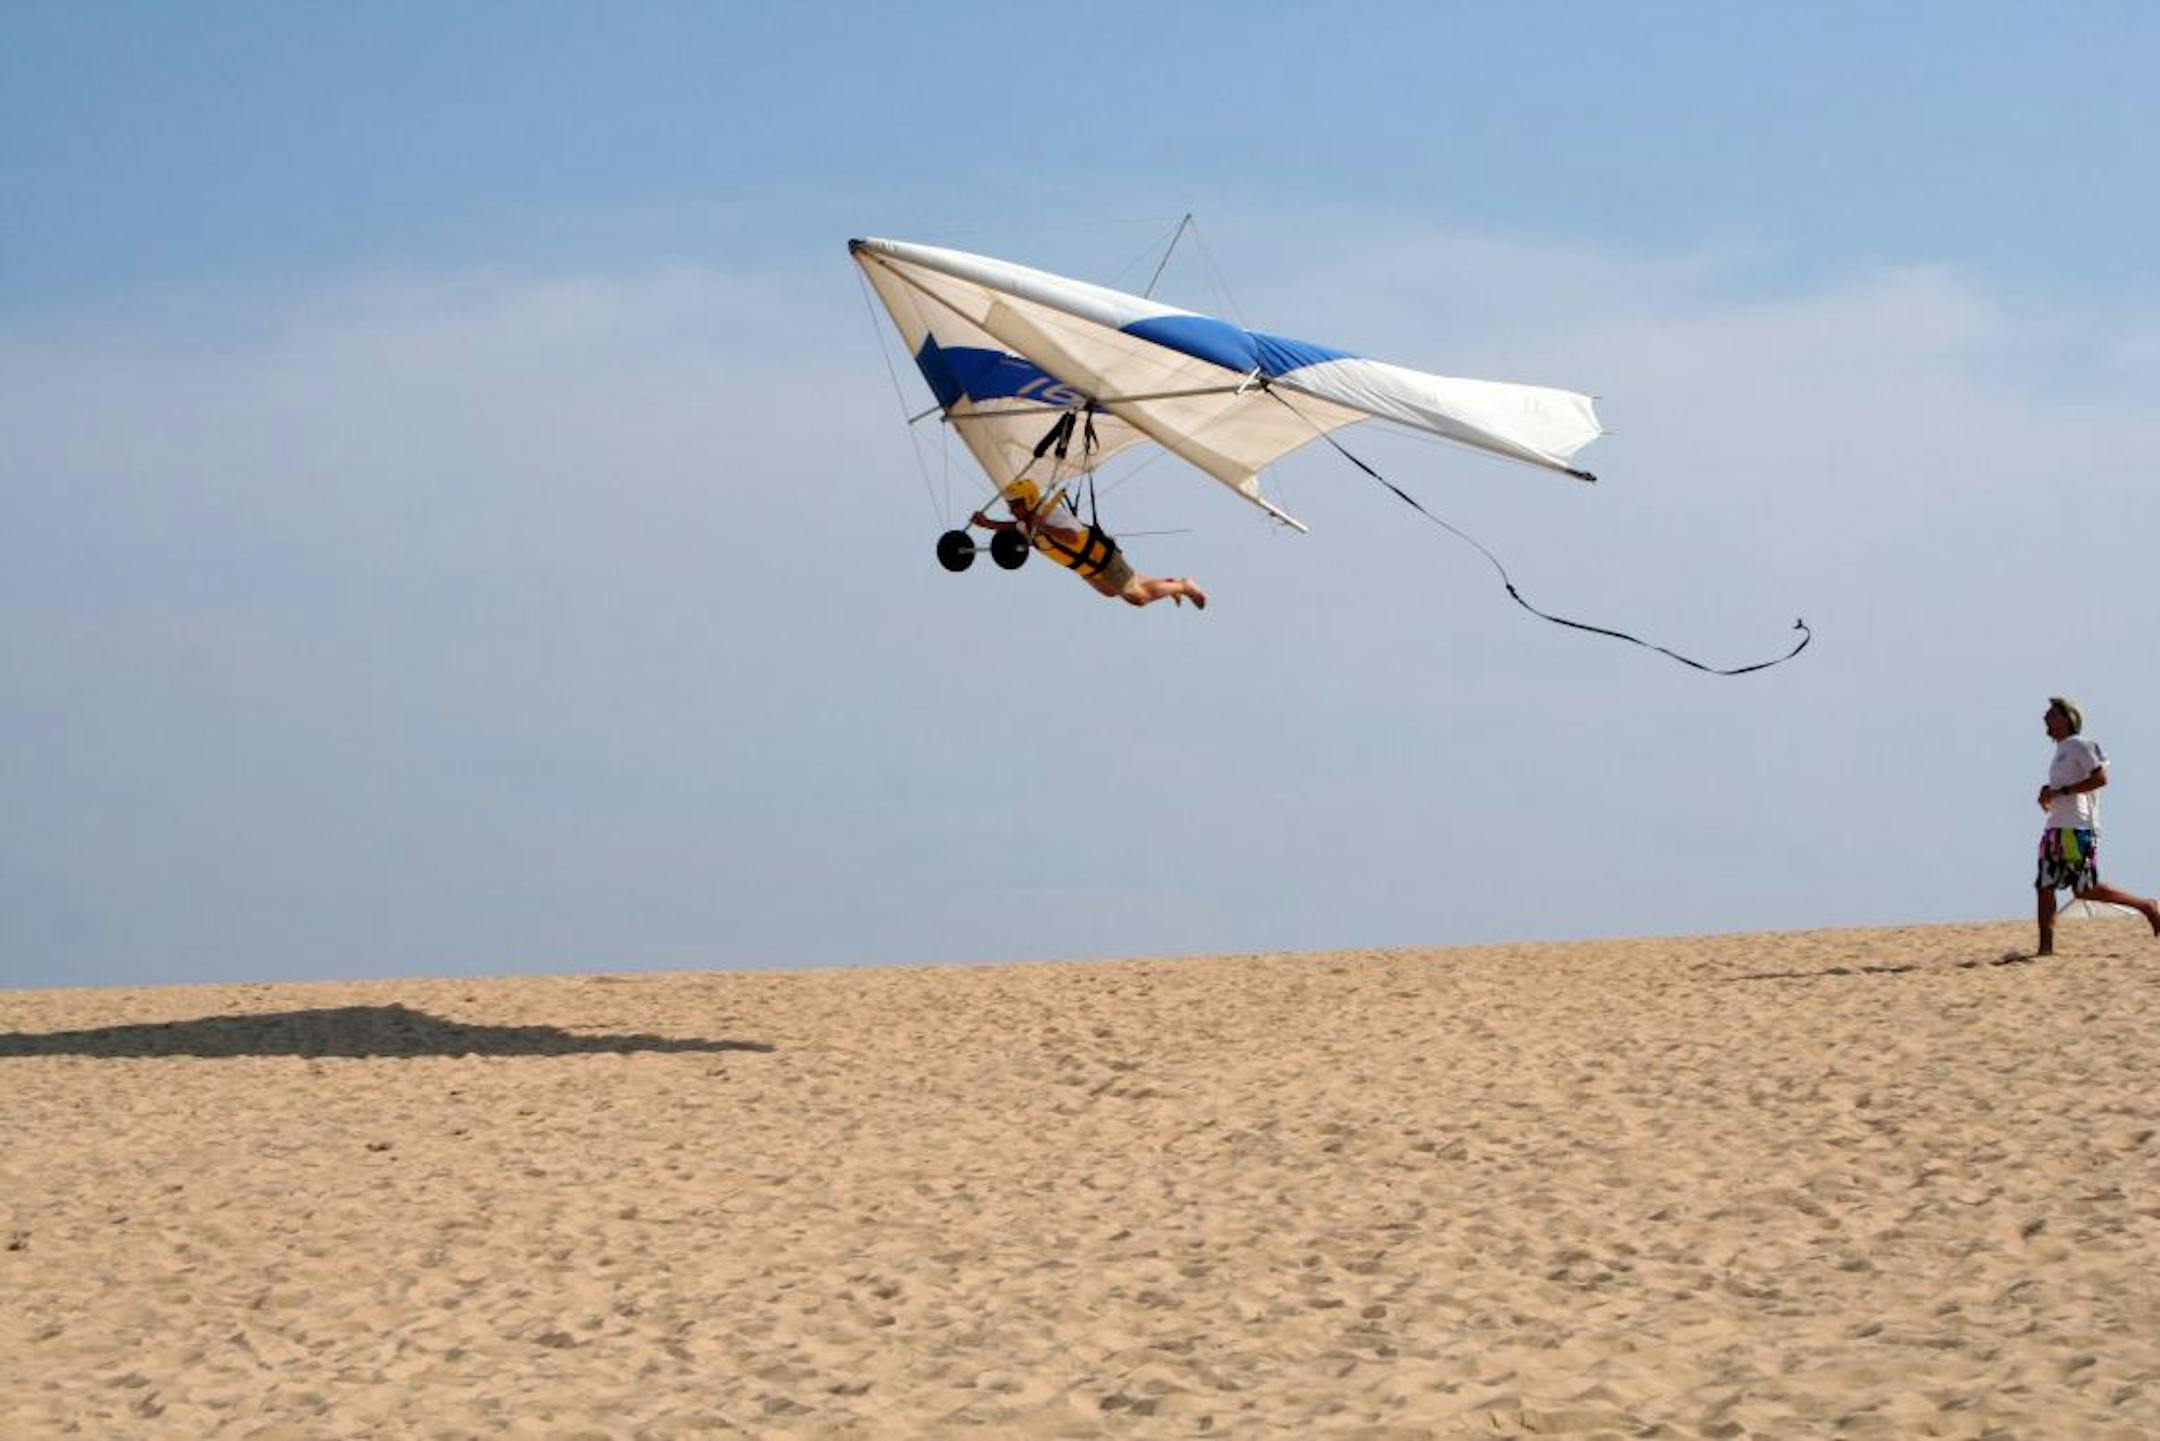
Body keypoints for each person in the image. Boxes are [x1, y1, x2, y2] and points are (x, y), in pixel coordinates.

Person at [2033, 695, 2160, 956]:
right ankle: (2045, 949)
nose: (2046, 719)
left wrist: (2064, 790)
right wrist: (2048, 794)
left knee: (2086, 890)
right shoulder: (2060, 752)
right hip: (2055, 828)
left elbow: (2101, 778)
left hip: (2076, 829)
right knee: (2044, 886)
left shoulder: (2081, 745)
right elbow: (2062, 790)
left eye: (2052, 715)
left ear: (2067, 719)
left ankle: (2146, 906)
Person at [970, 480, 1206, 610]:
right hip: (1088, 568)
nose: (1013, 510)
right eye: (1011, 505)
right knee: (1112, 591)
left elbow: (1071, 537)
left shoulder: (1051, 515)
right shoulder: (1028, 522)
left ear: (1030, 500)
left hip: (1101, 558)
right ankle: (1169, 585)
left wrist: (1044, 526)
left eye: (1016, 504)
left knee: (1137, 598)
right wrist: (987, 523)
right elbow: (1011, 529)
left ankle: (1183, 586)